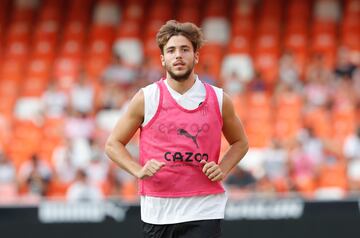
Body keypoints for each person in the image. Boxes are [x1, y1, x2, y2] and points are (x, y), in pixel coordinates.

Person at [105, 20, 249, 238]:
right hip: (158, 209)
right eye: (171, 50)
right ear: (163, 59)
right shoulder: (147, 98)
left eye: (185, 49)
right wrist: (138, 170)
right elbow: (112, 144)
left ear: (196, 56)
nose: (178, 55)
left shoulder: (219, 99)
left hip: (204, 207)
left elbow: (241, 142)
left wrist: (223, 167)